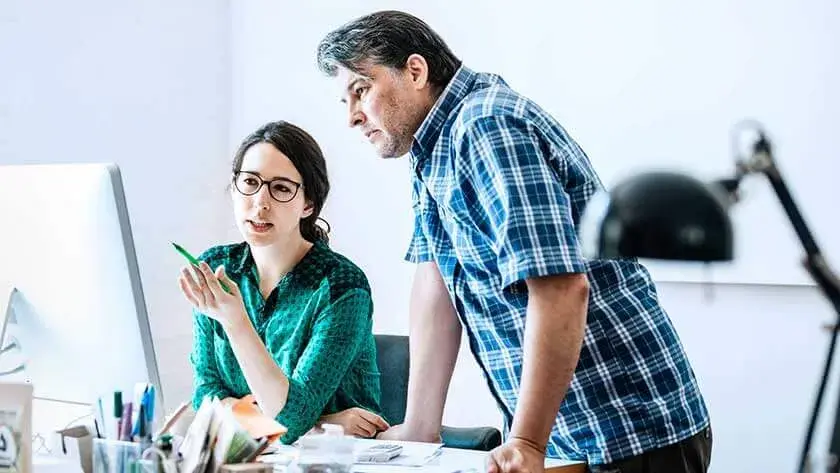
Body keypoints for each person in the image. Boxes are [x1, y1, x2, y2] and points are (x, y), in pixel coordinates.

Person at [315, 11, 712, 473]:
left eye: (361, 91)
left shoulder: (486, 126)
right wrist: (421, 425)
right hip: (570, 437)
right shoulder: (432, 146)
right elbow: (435, 281)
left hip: (625, 431)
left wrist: (525, 440)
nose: (351, 117)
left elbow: (562, 287)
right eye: (344, 100)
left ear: (416, 71)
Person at [179, 120, 389, 444]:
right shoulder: (218, 268)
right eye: (249, 182)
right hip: (256, 460)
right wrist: (320, 425)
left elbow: (290, 417)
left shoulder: (342, 286)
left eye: (280, 188)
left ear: (308, 204)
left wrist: (236, 322)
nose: (260, 203)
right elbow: (207, 396)